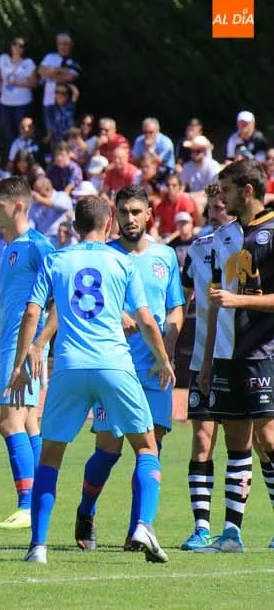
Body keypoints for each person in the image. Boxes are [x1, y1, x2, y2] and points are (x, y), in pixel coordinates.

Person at [7, 194, 174, 565]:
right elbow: (147, 320)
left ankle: (38, 546)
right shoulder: (122, 261)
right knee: (146, 447)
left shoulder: (56, 260)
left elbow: (33, 313)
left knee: (51, 456)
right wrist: (164, 360)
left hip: (69, 366)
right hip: (114, 364)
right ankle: (143, 525)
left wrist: (21, 365)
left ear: (74, 225)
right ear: (109, 221)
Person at [72, 185, 184, 551]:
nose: (130, 218)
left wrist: (166, 347)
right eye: (124, 212)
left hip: (154, 371)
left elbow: (175, 307)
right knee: (108, 450)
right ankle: (86, 511)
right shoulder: (104, 255)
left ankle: (139, 530)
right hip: (114, 367)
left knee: (151, 448)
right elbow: (87, 302)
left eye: (136, 211)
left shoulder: (165, 256)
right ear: (114, 216)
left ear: (149, 214)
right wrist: (116, 315)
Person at [197, 159, 274, 553]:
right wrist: (208, 358)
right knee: (236, 442)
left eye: (227, 190)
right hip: (229, 354)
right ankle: (231, 534)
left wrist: (238, 300)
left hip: (265, 352)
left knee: (269, 438)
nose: (221, 197)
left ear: (247, 191)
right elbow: (216, 302)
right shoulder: (225, 237)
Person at [0, 177, 56, 530]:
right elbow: (4, 304)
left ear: (19, 206)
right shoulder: (8, 249)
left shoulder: (39, 246)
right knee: (28, 423)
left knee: (9, 423)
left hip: (25, 347)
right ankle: (41, 498)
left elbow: (59, 299)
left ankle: (27, 506)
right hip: (10, 345)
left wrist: (38, 344)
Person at [178, 183, 235, 550]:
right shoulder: (197, 249)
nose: (215, 214)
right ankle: (201, 528)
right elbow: (182, 299)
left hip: (239, 358)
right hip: (202, 358)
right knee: (201, 439)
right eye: (211, 208)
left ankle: (235, 528)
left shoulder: (246, 244)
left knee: (262, 443)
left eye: (221, 207)